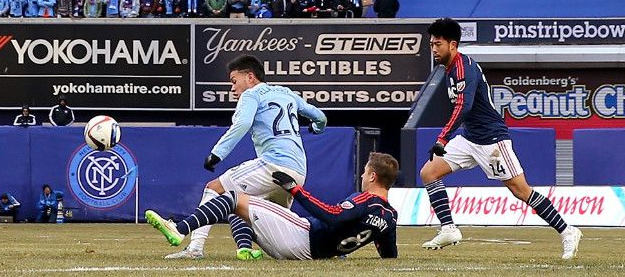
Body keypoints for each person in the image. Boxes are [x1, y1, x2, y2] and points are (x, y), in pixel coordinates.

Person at [419, 18, 581, 259]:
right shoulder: (450, 70)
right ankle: (449, 228)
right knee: (428, 173)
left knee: (521, 191)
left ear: (453, 45)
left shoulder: (464, 67)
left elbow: (464, 105)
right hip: (469, 138)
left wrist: (443, 138)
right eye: (431, 44)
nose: (434, 49)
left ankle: (568, 231)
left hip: (492, 140)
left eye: (438, 44)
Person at [167, 54, 327, 261]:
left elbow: (242, 124)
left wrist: (217, 154)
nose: (232, 88)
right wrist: (317, 128)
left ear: (250, 77)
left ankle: (194, 248)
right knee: (253, 214)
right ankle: (247, 249)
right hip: (298, 172)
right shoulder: (286, 93)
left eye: (234, 81)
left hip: (274, 164)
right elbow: (320, 116)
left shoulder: (251, 95)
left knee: (214, 188)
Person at [146, 152, 400, 262]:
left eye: (366, 173)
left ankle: (180, 228)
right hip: (312, 252)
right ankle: (244, 249)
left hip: (301, 237)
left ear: (374, 177)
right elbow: (388, 253)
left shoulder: (366, 199)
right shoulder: (389, 216)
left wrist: (295, 189)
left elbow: (332, 216)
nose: (363, 176)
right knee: (242, 210)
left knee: (233, 197)